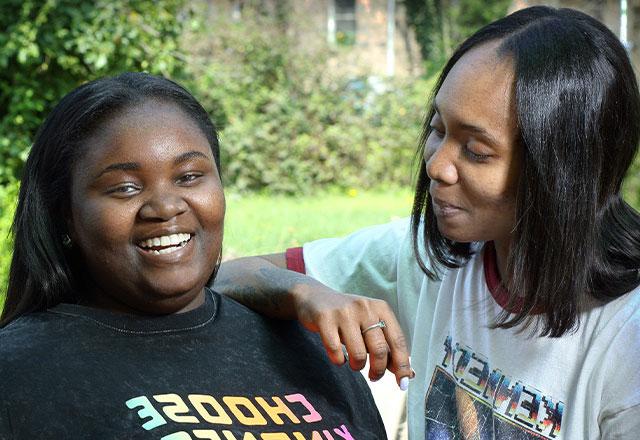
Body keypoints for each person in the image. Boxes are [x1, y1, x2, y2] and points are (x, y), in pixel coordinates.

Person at [214, 6, 640, 440]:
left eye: (476, 150)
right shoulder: (429, 256)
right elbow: (228, 277)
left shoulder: (628, 337)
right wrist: (303, 292)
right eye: (438, 129)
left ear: (564, 171)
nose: (437, 166)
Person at [0, 72, 387, 439]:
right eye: (125, 188)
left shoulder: (311, 347)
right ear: (65, 214)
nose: (166, 207)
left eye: (189, 177)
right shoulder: (19, 373)